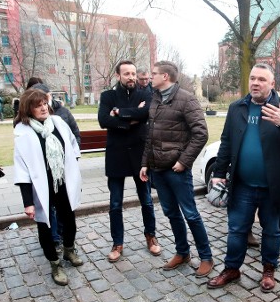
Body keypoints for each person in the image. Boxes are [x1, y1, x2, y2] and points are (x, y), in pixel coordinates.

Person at [207, 63, 280, 292]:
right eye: (253, 78)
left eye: (262, 79)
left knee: (272, 231)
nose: (255, 83)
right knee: (236, 230)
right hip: (242, 185)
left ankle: (268, 270)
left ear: (272, 84)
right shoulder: (237, 108)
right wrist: (219, 173)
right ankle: (232, 268)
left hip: (273, 187)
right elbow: (227, 142)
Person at [139, 61, 213, 275]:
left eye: (153, 74)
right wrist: (145, 163)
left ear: (165, 77)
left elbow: (201, 134)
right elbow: (150, 136)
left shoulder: (186, 99)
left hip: (177, 170)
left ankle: (206, 257)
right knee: (171, 213)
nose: (149, 77)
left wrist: (183, 162)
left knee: (190, 214)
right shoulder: (154, 99)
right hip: (157, 169)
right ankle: (182, 252)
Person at [14, 88, 83, 285]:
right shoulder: (23, 133)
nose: (43, 108)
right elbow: (22, 170)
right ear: (29, 109)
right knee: (45, 226)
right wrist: (28, 202)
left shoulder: (58, 123)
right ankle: (55, 263)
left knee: (69, 219)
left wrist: (73, 167)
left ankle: (69, 250)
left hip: (63, 182)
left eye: (45, 103)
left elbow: (72, 144)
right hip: (40, 187)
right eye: (38, 105)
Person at [98, 60, 160, 262]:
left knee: (147, 200)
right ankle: (117, 243)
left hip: (139, 156)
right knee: (115, 203)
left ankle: (151, 236)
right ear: (118, 76)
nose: (132, 77)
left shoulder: (145, 94)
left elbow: (146, 113)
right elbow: (103, 121)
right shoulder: (107, 96)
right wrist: (132, 120)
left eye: (133, 73)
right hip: (116, 155)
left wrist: (119, 113)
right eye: (127, 74)